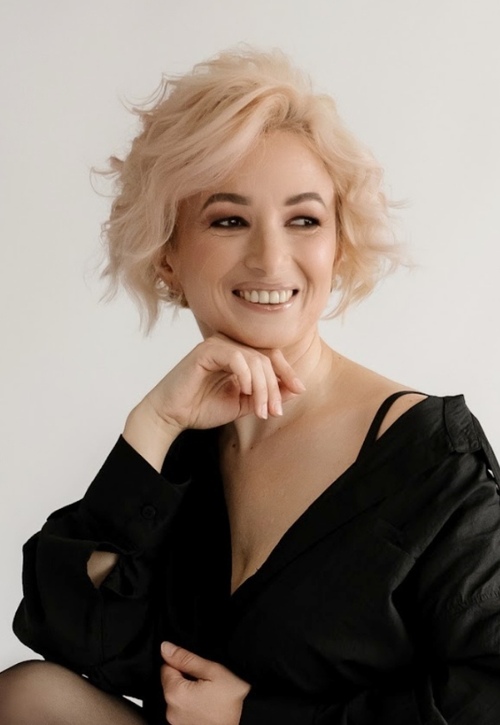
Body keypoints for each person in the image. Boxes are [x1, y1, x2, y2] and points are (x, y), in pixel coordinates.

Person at [1, 47, 500, 725]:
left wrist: (255, 717)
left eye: (304, 220)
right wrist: (152, 425)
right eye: (229, 220)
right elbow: (71, 632)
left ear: (339, 246)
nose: (270, 257)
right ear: (168, 254)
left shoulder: (431, 460)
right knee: (30, 696)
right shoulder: (183, 449)